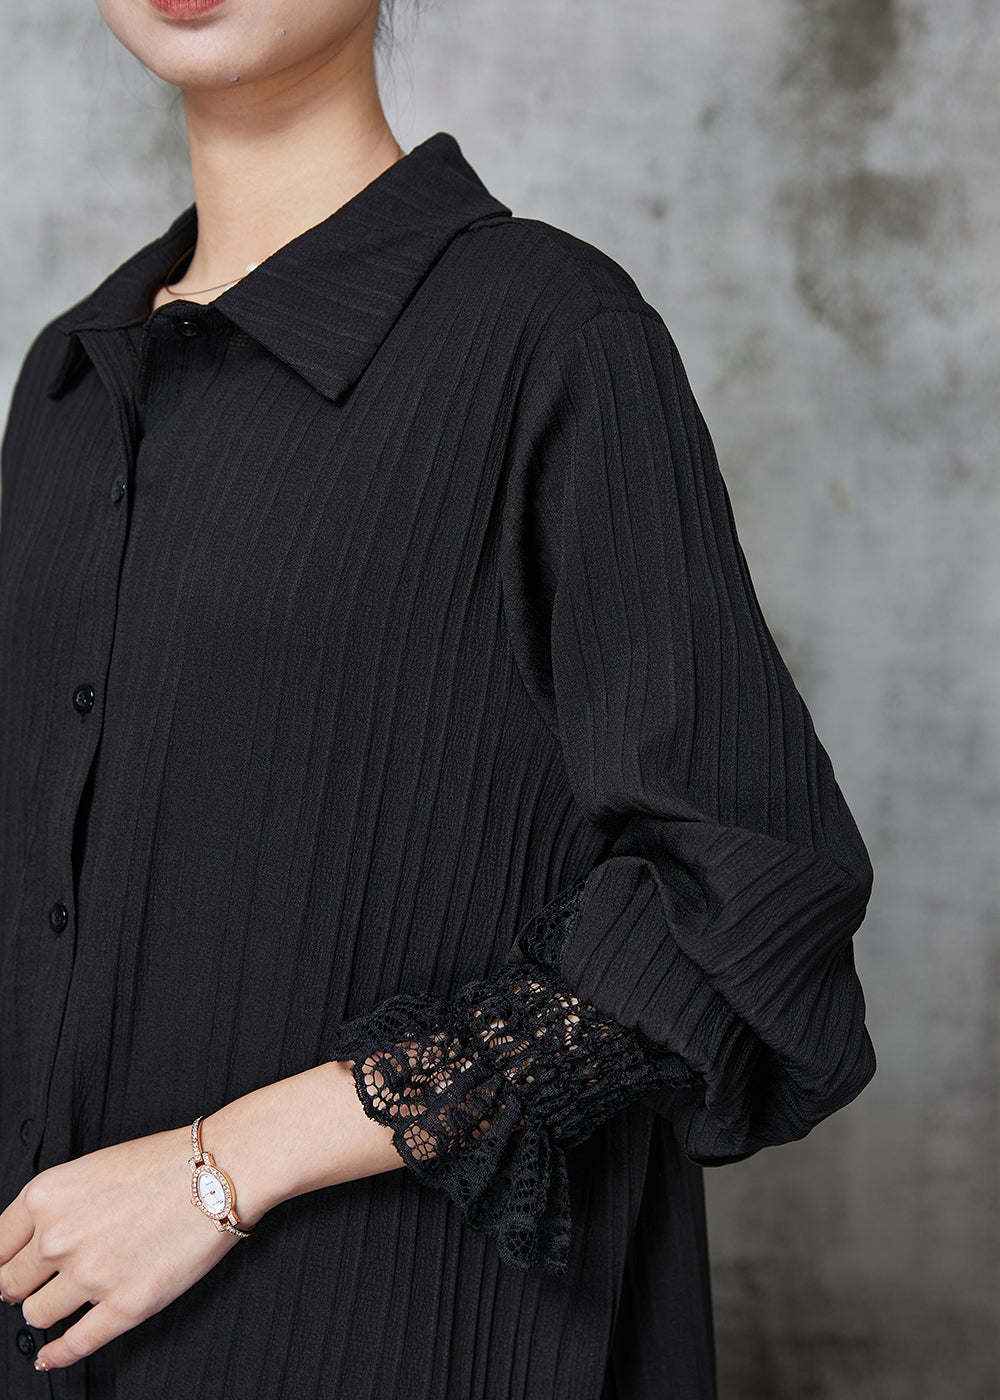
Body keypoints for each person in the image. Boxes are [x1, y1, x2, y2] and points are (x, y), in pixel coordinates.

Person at [0, 1, 878, 1396]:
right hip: (57, 1320)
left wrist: (224, 1169)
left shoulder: (554, 333)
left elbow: (743, 889)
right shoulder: (65, 380)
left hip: (402, 1333)